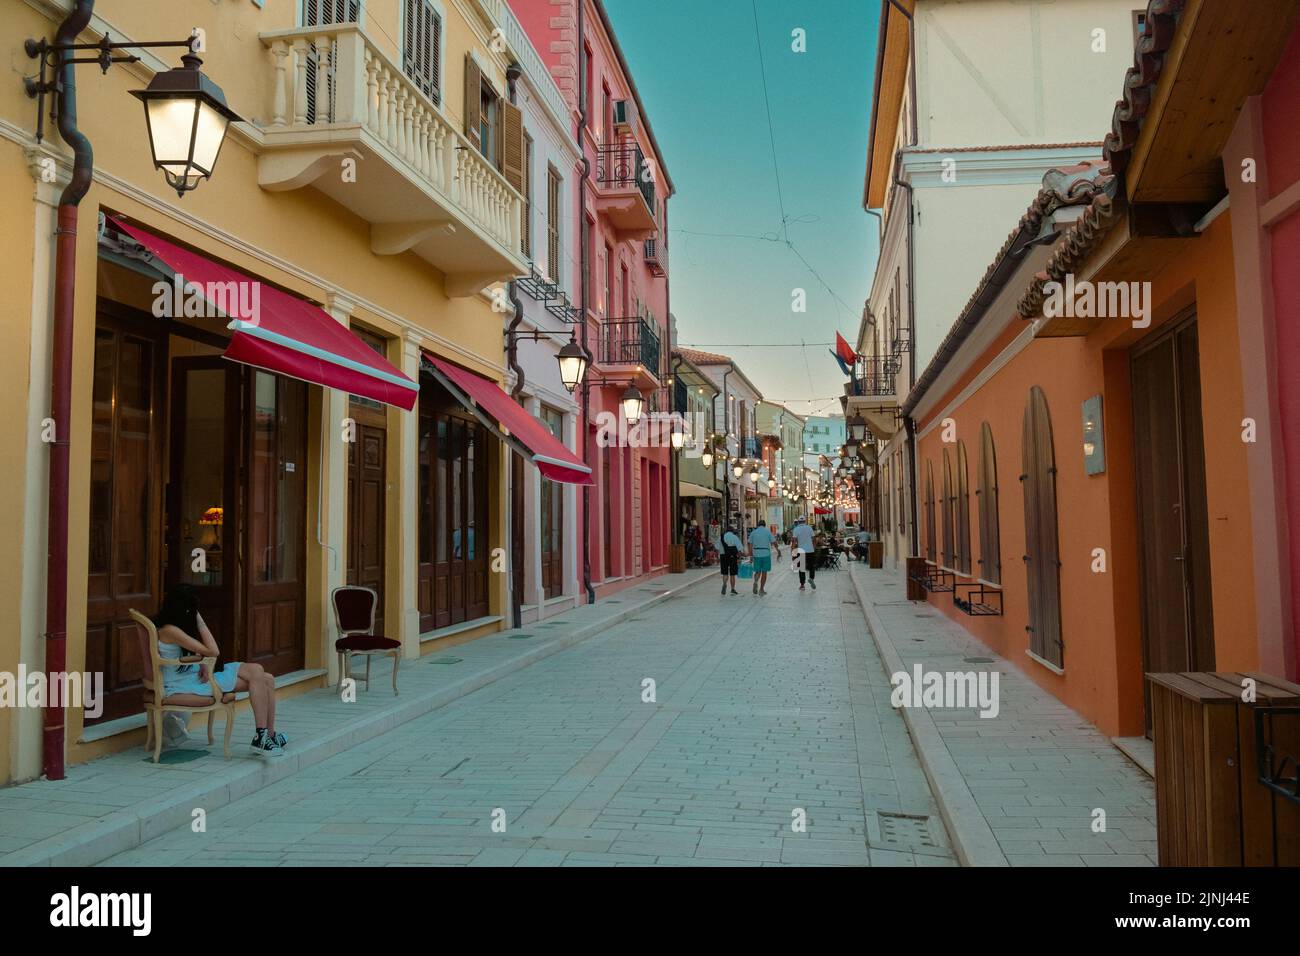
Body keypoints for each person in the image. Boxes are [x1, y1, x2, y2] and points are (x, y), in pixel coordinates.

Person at [152, 583, 287, 757]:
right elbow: (213, 651)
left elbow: (191, 652)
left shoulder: (173, 627)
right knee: (259, 674)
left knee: (266, 678)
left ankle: (267, 735)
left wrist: (200, 663)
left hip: (193, 676)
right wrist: (199, 620)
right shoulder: (171, 630)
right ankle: (261, 737)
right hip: (185, 684)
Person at [747, 519, 775, 595]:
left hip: (756, 553)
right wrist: (778, 550)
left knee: (758, 571)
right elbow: (773, 542)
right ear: (764, 525)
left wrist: (750, 554)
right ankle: (761, 589)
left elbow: (749, 543)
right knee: (764, 572)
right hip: (765, 553)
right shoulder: (767, 532)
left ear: (758, 525)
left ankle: (756, 581)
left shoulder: (753, 532)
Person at [791, 517, 817, 591]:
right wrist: (814, 548)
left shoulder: (796, 529)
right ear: (805, 521)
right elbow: (814, 539)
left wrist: (793, 552)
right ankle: (811, 578)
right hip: (810, 550)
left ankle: (802, 585)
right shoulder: (809, 528)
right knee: (812, 566)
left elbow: (794, 542)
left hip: (801, 551)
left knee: (801, 568)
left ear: (799, 522)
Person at [720, 523, 742, 595]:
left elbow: (717, 547)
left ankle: (724, 584)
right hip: (732, 556)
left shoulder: (722, 537)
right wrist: (740, 557)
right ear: (732, 531)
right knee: (732, 574)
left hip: (723, 556)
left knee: (725, 573)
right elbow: (740, 548)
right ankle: (732, 589)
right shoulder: (734, 537)